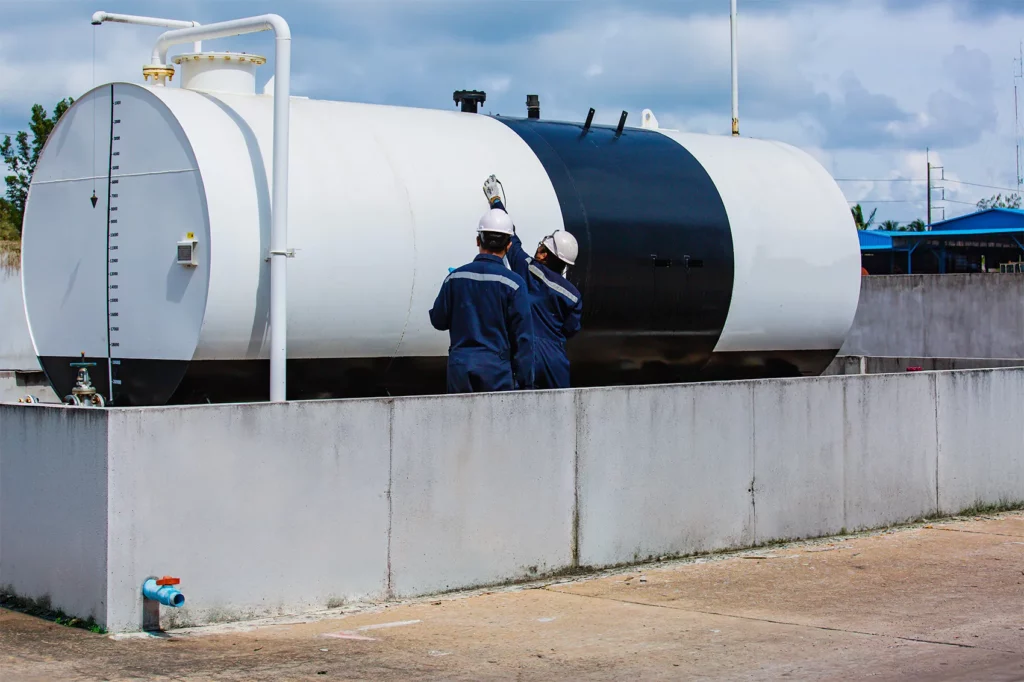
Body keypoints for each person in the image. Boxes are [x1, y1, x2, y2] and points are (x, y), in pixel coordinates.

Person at [482, 175, 582, 389]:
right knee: (561, 405)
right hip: (556, 356)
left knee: (523, 404)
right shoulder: (573, 295)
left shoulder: (529, 269)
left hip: (528, 352)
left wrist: (495, 201)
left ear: (545, 254)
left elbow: (510, 237)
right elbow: (571, 329)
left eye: (541, 247)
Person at [429, 208, 534, 393]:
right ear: (509, 245)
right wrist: (526, 383)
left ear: (478, 240)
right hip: (496, 371)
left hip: (460, 368)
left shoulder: (455, 278)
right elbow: (523, 338)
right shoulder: (515, 284)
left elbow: (438, 320)